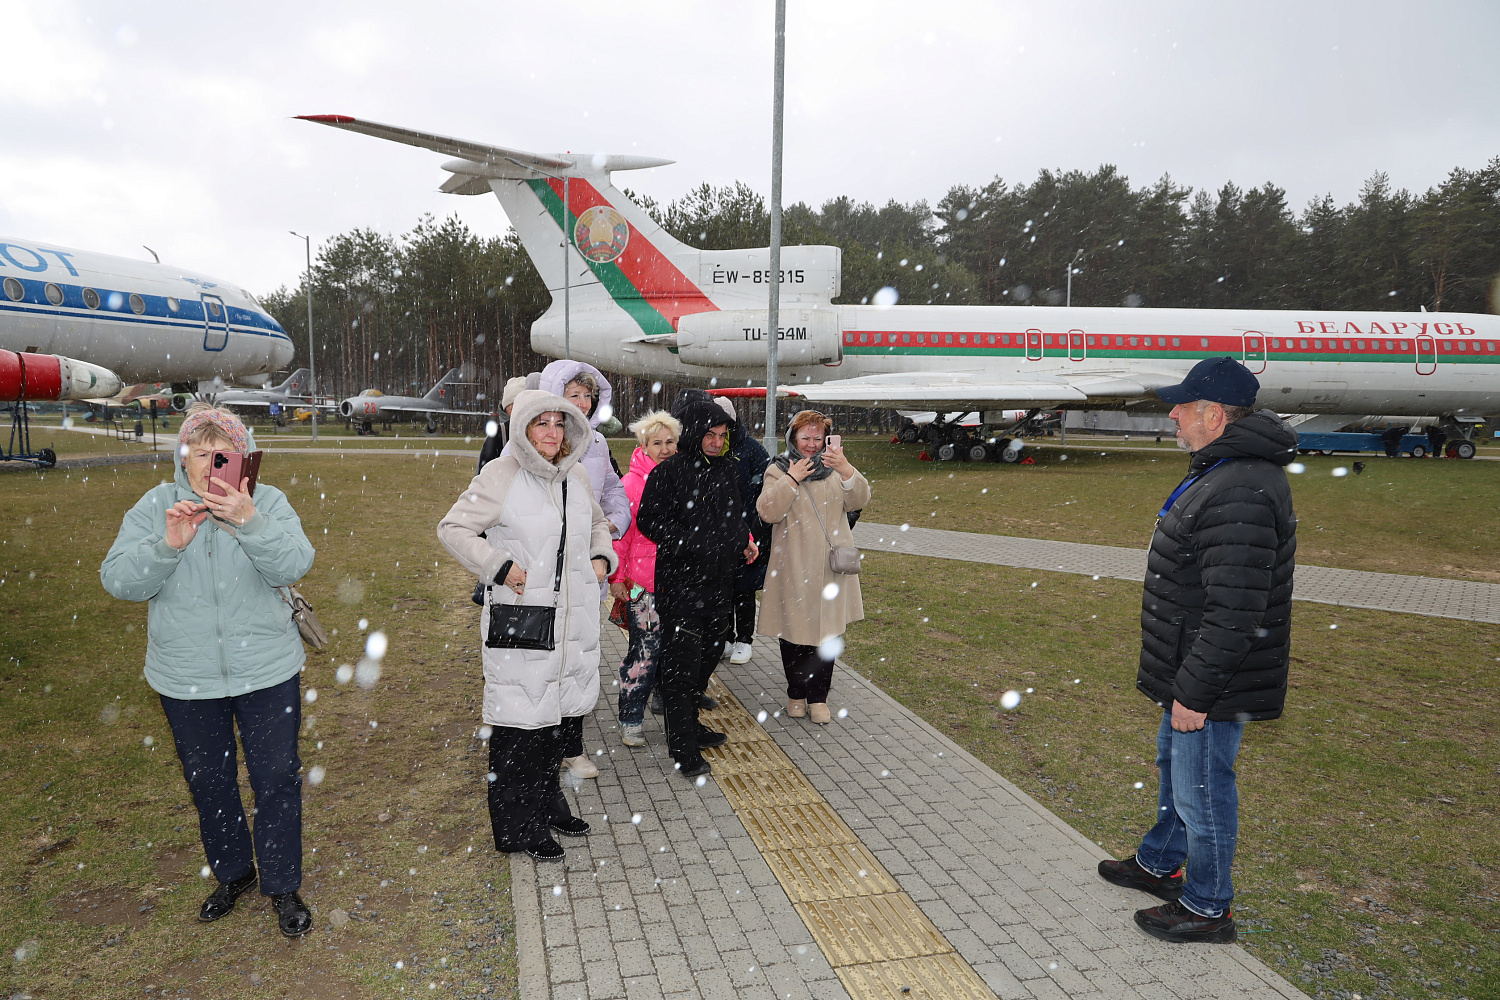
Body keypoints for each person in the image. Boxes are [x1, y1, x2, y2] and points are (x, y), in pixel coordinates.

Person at [1098, 356, 1297, 944]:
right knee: (1175, 773)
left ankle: (1208, 907)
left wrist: (1196, 691)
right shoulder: (1224, 470)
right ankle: (1161, 864)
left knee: (1203, 790)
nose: (1174, 414)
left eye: (1182, 406)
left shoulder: (1242, 486)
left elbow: (1237, 611)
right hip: (1189, 666)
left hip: (1209, 678)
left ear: (1213, 415)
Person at [100, 403, 316, 937]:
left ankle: (283, 884)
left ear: (241, 458)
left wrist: (250, 522)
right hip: (185, 676)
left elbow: (295, 563)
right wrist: (167, 546)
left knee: (275, 780)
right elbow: (118, 580)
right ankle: (234, 873)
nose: (207, 463)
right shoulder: (156, 506)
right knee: (210, 782)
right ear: (183, 457)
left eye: (221, 454)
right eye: (198, 452)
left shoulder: (267, 503)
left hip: (266, 670)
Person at [437, 390, 617, 862]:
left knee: (555, 725)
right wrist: (498, 565)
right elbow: (453, 528)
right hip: (523, 622)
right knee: (520, 729)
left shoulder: (575, 475)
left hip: (572, 627)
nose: (552, 433)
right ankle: (519, 828)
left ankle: (549, 804)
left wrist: (602, 557)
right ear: (523, 428)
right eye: (542, 424)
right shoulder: (502, 473)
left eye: (560, 424)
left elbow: (599, 525)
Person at [514, 361, 631, 779]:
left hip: (585, 575)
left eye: (588, 397)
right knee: (543, 661)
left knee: (579, 658)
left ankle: (572, 745)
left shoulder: (596, 445)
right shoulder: (526, 448)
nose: (582, 404)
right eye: (573, 395)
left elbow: (614, 494)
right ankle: (538, 743)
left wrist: (608, 533)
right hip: (541, 578)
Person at [636, 396, 758, 778]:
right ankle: (683, 746)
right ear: (692, 433)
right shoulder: (667, 473)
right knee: (680, 666)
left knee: (707, 655)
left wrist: (744, 539)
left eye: (722, 436)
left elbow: (734, 513)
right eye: (710, 435)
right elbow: (649, 522)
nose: (717, 442)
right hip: (681, 584)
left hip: (719, 582)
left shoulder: (725, 470)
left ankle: (689, 724)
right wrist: (691, 542)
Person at [756, 410, 871, 724]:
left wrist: (846, 469)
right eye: (805, 437)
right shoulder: (778, 469)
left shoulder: (835, 468)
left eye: (817, 438)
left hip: (829, 569)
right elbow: (767, 512)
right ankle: (796, 692)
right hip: (791, 565)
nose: (810, 444)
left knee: (827, 635)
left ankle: (819, 697)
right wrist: (793, 478)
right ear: (793, 437)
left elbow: (860, 498)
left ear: (825, 440)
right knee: (793, 634)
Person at [609, 410, 680, 747]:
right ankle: (630, 716)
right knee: (644, 652)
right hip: (643, 585)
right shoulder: (632, 483)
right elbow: (620, 538)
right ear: (643, 445)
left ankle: (665, 701)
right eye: (657, 443)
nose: (664, 448)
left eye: (670, 441)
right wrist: (616, 577)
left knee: (674, 649)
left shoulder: (684, 475)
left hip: (678, 580)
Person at [717, 396, 772, 664]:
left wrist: (755, 529)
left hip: (748, 532)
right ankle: (726, 638)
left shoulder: (752, 450)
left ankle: (744, 640)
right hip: (718, 535)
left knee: (744, 589)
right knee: (723, 588)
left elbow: (765, 492)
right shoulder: (711, 448)